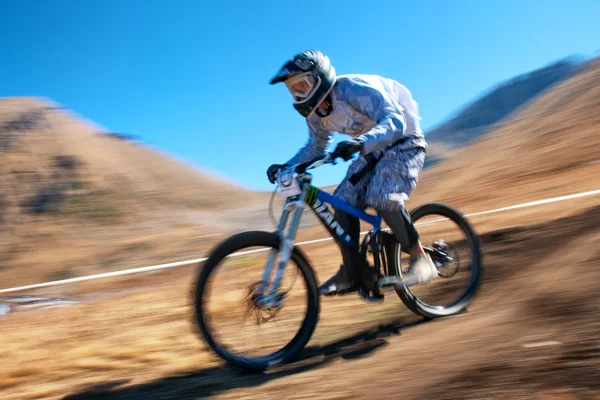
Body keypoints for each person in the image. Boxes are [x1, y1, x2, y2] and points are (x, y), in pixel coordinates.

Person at [267, 50, 438, 296]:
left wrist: (360, 143)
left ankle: (421, 259)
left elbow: (395, 121)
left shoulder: (354, 89)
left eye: (303, 85)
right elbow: (315, 147)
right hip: (371, 149)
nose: (299, 94)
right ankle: (351, 270)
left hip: (404, 142)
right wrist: (287, 166)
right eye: (293, 90)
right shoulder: (316, 115)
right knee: (342, 202)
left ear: (320, 78)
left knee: (382, 199)